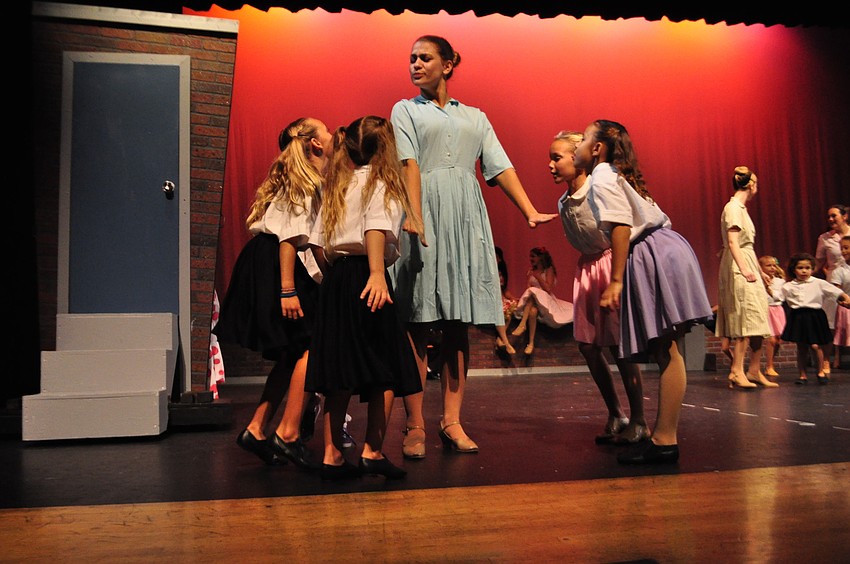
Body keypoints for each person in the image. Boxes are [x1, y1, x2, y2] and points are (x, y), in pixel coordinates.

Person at [390, 35, 557, 459]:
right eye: (411, 58)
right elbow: (408, 163)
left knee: (456, 324)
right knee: (417, 321)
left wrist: (528, 211)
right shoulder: (405, 109)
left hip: (465, 218)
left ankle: (452, 421)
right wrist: (414, 214)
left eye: (424, 58)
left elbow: (499, 167)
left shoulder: (475, 117)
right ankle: (414, 423)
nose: (415, 64)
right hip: (423, 212)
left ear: (448, 65)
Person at [573, 119, 713, 464]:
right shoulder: (614, 174)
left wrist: (616, 279)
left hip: (652, 251)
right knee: (668, 350)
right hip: (666, 247)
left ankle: (665, 440)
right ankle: (664, 437)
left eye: (583, 138)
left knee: (667, 350)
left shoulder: (602, 175)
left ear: (597, 149)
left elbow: (621, 226)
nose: (577, 144)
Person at [305, 116, 423, 481]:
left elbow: (317, 243)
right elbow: (376, 227)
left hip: (337, 278)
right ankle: (372, 450)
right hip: (367, 276)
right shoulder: (381, 182)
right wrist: (375, 273)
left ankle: (331, 454)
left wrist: (332, 281)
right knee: (388, 366)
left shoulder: (337, 184)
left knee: (339, 369)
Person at [213, 117, 331, 471]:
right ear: (315, 143)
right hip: (276, 265)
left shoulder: (307, 179)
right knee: (313, 345)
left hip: (268, 262)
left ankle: (257, 428)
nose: (331, 134)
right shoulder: (303, 180)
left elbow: (309, 243)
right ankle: (289, 432)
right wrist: (288, 290)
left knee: (293, 351)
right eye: (325, 130)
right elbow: (289, 240)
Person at [550, 130, 647, 444]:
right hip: (588, 269)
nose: (551, 165)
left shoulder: (598, 187)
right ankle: (616, 413)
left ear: (576, 159)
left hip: (610, 263)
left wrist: (617, 276)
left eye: (556, 158)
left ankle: (639, 420)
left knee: (619, 346)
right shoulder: (563, 201)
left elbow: (621, 227)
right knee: (588, 346)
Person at [715, 167, 776, 390]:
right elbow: (733, 242)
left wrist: (759, 271)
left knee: (757, 315)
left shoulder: (741, 209)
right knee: (745, 315)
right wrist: (744, 269)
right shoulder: (732, 208)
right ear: (751, 185)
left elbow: (747, 246)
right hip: (738, 264)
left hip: (747, 260)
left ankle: (754, 370)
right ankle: (736, 371)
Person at [781, 252, 850, 385]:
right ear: (794, 269)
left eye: (807, 268)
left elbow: (837, 292)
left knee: (815, 345)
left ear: (812, 269)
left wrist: (846, 299)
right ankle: (802, 375)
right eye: (800, 268)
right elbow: (778, 297)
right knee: (801, 347)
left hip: (814, 316)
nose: (804, 271)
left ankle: (820, 372)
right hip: (798, 317)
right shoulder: (788, 286)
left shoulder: (818, 283)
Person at [511, 246, 574, 356]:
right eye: (530, 256)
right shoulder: (531, 271)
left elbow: (548, 289)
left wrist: (538, 277)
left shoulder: (548, 270)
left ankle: (522, 324)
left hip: (546, 299)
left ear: (540, 258)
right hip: (533, 301)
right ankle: (530, 343)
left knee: (534, 292)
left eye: (533, 256)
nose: (531, 259)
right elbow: (528, 288)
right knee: (533, 311)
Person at [815, 204, 850, 373]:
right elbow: (818, 262)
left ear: (845, 216)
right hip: (833, 284)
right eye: (828, 216)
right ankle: (826, 361)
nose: (830, 219)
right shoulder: (825, 238)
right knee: (830, 323)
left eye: (834, 215)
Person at [759, 255, 787, 377]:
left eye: (774, 265)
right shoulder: (758, 281)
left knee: (778, 340)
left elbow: (781, 297)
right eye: (768, 265)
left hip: (778, 310)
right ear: (761, 267)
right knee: (771, 339)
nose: (772, 268)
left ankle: (771, 363)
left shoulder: (780, 282)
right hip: (766, 310)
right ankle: (769, 366)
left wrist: (771, 291)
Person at [828, 236, 850, 368]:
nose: (843, 251)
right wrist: (845, 302)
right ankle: (837, 357)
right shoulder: (839, 271)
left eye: (846, 248)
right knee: (843, 331)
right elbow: (836, 292)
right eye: (842, 248)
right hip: (846, 306)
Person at [495, 247, 518, 355]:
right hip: (492, 300)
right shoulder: (487, 272)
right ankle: (507, 343)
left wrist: (512, 298)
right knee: (499, 311)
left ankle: (500, 339)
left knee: (511, 307)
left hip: (500, 297)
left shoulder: (500, 272)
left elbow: (504, 289)